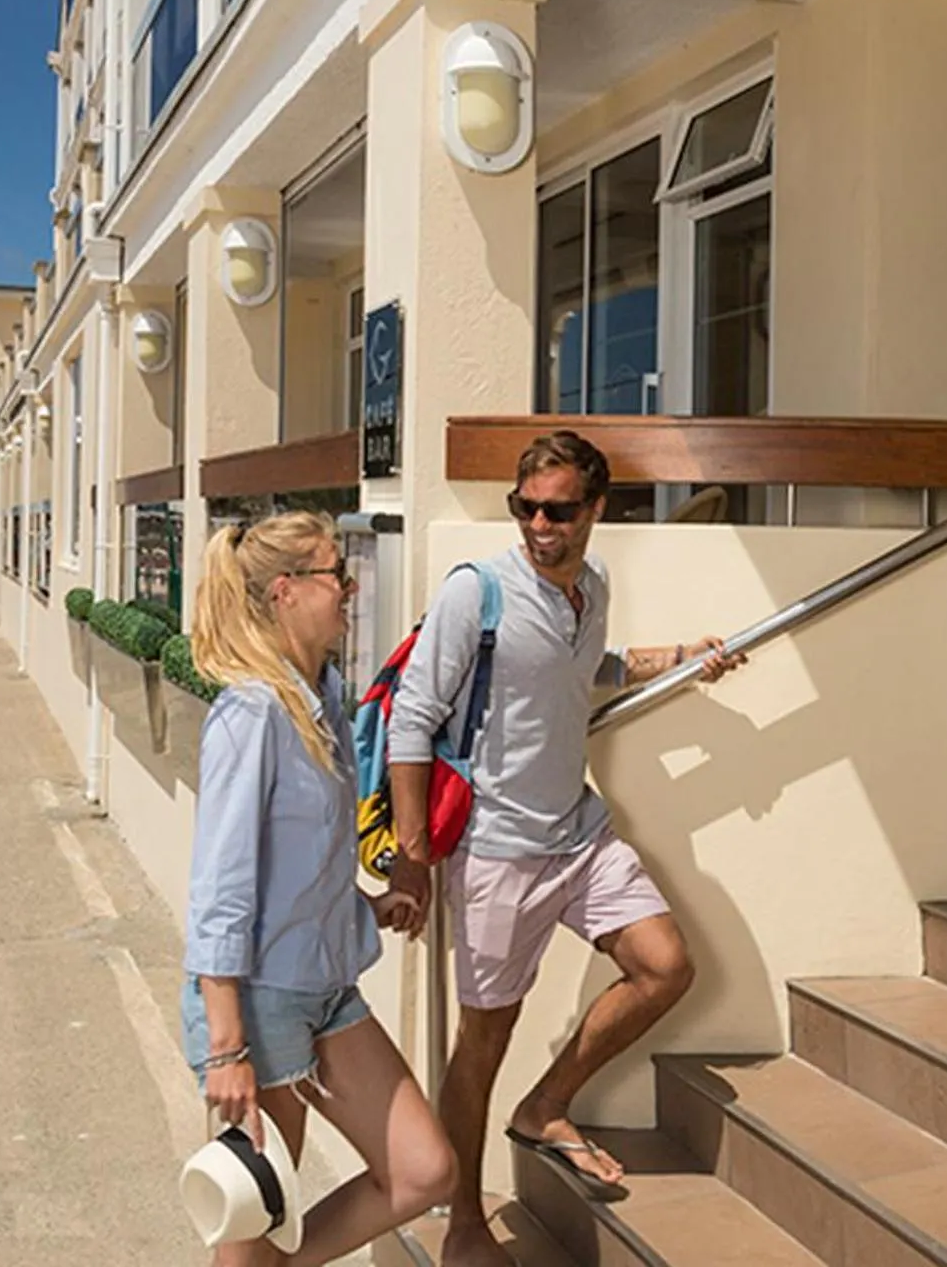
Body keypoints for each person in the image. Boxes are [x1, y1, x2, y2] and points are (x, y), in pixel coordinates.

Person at [386, 431, 743, 1264]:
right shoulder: (478, 594)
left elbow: (588, 669)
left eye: (558, 509)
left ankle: (545, 1103)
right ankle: (464, 1225)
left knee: (666, 966)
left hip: (577, 832)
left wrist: (680, 659)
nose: (540, 525)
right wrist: (413, 856)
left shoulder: (594, 584)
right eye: (527, 508)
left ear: (595, 509)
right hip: (498, 851)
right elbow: (411, 717)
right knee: (481, 1044)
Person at [183, 512, 454, 1267]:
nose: (351, 587)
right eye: (337, 573)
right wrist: (228, 1048)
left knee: (424, 1169)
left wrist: (361, 903)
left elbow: (301, 858)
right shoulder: (251, 713)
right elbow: (221, 889)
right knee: (255, 1216)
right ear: (286, 591)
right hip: (260, 1005)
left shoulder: (322, 699)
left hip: (327, 985)